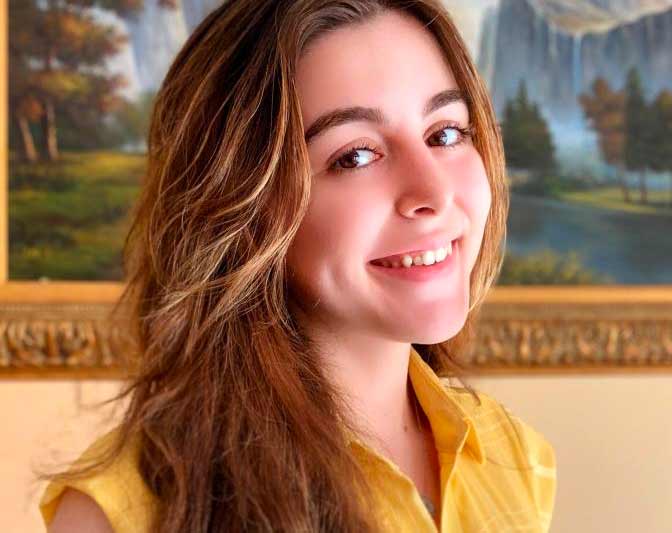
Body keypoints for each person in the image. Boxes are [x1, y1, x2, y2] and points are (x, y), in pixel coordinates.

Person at [37, 1, 557, 532]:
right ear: (240, 205)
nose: (433, 193)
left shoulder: (515, 457)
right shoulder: (125, 514)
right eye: (354, 155)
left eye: (445, 133)